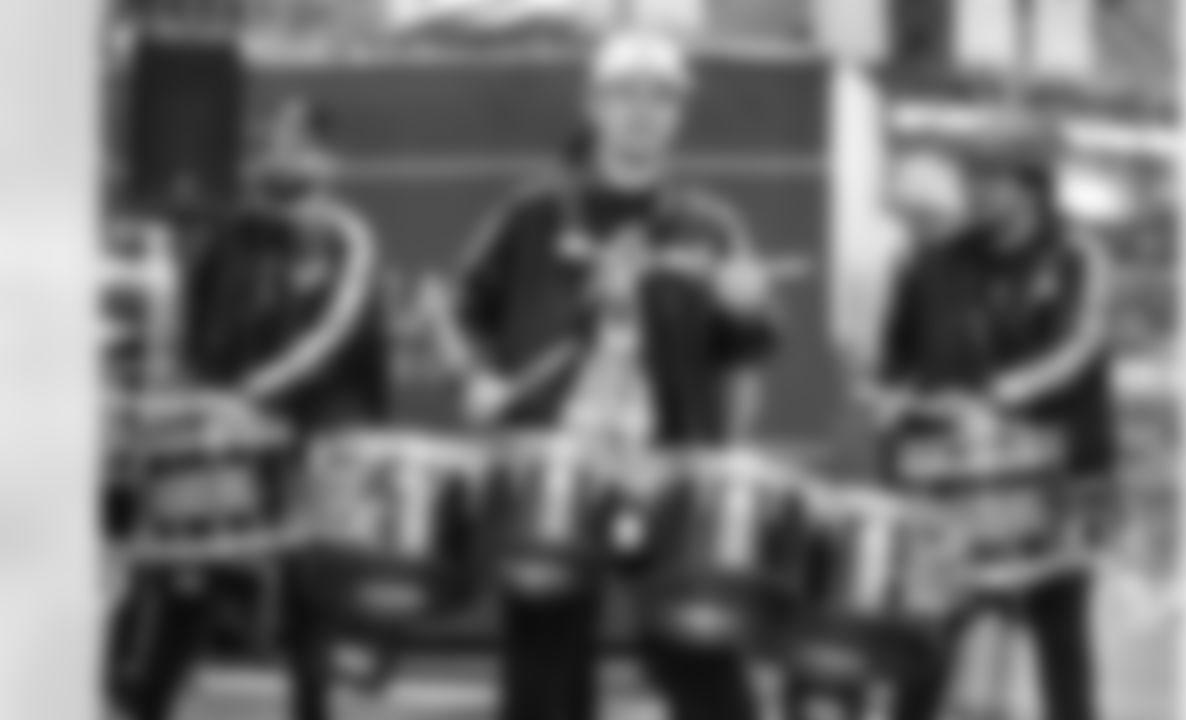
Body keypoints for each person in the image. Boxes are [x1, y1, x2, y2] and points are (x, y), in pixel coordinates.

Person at [454, 30, 778, 720]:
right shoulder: (533, 213)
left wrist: (745, 312)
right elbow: (462, 311)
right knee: (542, 677)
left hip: (666, 469)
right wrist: (476, 376)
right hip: (553, 463)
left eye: (661, 97)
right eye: (625, 93)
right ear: (593, 104)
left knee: (703, 663)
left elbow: (746, 357)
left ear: (680, 113)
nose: (642, 111)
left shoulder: (713, 226)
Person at [110, 99, 386, 720]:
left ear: (329, 160)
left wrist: (254, 397)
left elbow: (337, 333)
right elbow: (185, 325)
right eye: (273, 138)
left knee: (309, 599)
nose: (278, 151)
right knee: (187, 573)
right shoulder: (230, 233)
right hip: (224, 433)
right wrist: (193, 407)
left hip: (315, 437)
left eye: (297, 141)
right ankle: (146, 701)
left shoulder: (348, 237)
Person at [874, 123, 1116, 720]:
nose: (975, 190)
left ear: (1031, 185)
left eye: (991, 178)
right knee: (929, 630)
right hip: (951, 474)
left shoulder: (1077, 256)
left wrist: (994, 398)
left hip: (1055, 468)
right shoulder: (929, 263)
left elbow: (1079, 347)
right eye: (970, 177)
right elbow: (894, 361)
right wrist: (896, 401)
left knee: (1060, 632)